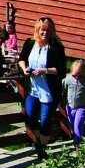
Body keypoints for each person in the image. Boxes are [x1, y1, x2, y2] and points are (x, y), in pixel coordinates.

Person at [18, 16, 67, 158]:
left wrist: (45, 71)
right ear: (37, 30)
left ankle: (42, 147)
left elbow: (62, 70)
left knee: (45, 120)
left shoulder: (56, 47)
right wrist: (24, 68)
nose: (44, 33)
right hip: (32, 88)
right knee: (29, 116)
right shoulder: (29, 43)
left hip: (48, 90)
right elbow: (21, 59)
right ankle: (38, 142)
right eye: (42, 30)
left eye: (47, 30)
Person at [63, 60, 85, 148]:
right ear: (72, 71)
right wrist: (63, 103)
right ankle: (76, 139)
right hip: (70, 107)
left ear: (83, 72)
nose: (77, 77)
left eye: (79, 74)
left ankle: (77, 144)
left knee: (78, 124)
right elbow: (63, 91)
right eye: (74, 75)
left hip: (82, 107)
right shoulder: (67, 79)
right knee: (72, 125)